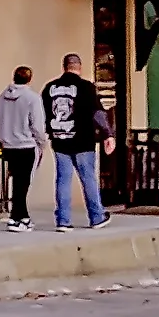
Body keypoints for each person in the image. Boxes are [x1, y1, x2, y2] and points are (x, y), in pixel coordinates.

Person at [42, 53, 113, 230]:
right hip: (83, 141)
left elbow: (42, 113)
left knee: (62, 180)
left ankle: (63, 220)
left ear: (64, 66)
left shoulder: (49, 88)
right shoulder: (86, 87)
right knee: (88, 178)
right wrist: (108, 134)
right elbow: (97, 113)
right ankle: (96, 217)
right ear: (79, 67)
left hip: (60, 141)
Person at [0, 64, 46, 231]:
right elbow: (37, 124)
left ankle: (21, 216)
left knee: (18, 183)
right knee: (23, 183)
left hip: (8, 146)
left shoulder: (1, 97)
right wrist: (42, 142)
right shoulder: (32, 98)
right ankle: (17, 218)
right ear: (29, 79)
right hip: (26, 145)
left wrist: (1, 137)